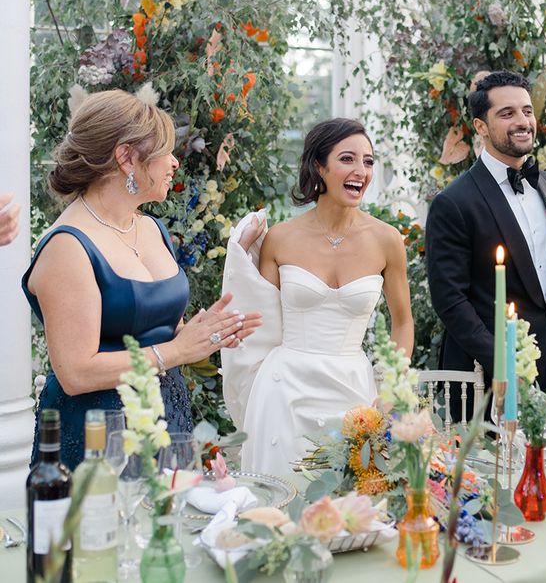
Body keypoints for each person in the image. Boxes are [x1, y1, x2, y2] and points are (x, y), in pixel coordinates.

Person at [22, 89, 262, 470]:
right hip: (99, 436)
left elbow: (159, 328)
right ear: (126, 157)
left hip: (166, 417)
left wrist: (200, 333)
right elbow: (75, 372)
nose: (174, 164)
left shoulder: (150, 228)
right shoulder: (68, 246)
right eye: (166, 151)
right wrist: (177, 352)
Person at [222, 118, 413, 474]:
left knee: (350, 510)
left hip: (353, 390)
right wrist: (241, 254)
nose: (361, 171)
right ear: (318, 167)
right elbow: (260, 319)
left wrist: (392, 390)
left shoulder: (387, 240)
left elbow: (403, 322)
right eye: (347, 159)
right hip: (283, 392)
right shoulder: (281, 238)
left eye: (368, 161)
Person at [426, 70, 546, 418]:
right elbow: (450, 301)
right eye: (507, 113)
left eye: (527, 111)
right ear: (481, 127)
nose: (522, 121)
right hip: (484, 378)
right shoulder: (454, 204)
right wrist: (503, 363)